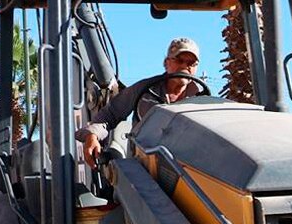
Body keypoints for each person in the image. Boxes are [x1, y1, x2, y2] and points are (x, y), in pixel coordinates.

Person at [75, 37, 202, 166]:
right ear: (167, 62)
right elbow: (111, 113)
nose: (185, 67)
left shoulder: (202, 100)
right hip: (144, 165)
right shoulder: (144, 90)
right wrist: (92, 135)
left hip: (186, 167)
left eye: (191, 63)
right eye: (180, 60)